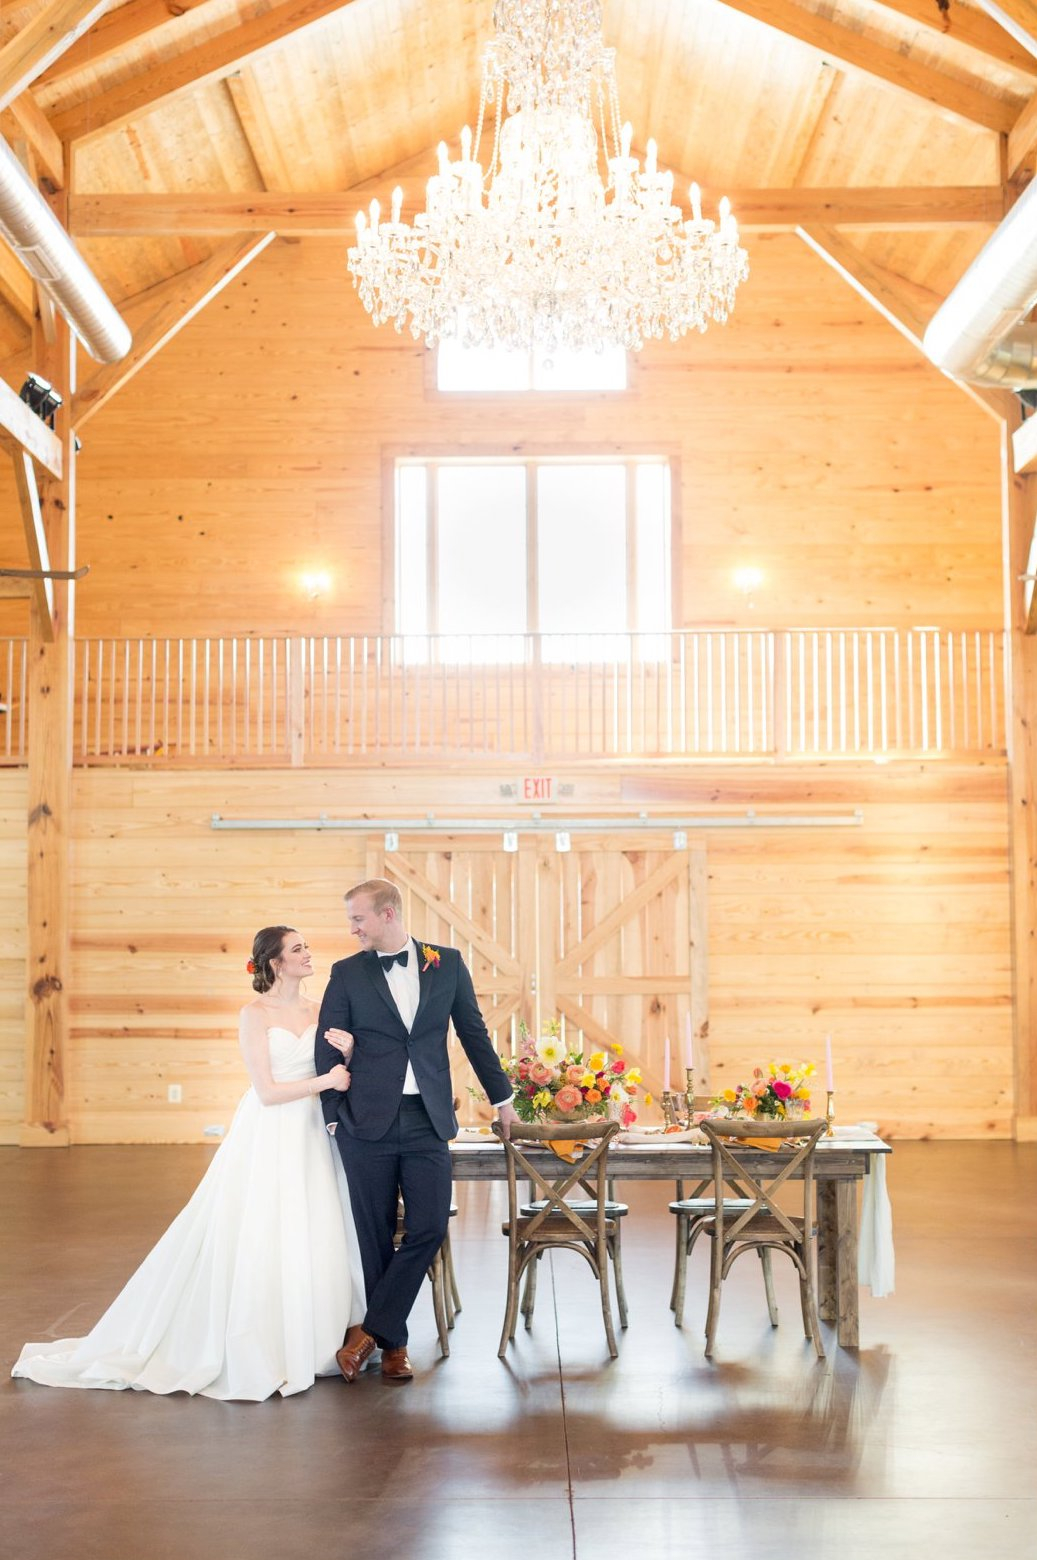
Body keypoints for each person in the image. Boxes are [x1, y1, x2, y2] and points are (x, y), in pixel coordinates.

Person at [12, 927, 365, 1401]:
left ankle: (315, 1334)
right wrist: (326, 1080)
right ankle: (262, 1338)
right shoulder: (254, 1015)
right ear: (276, 963)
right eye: (298, 948)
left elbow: (340, 1071)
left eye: (305, 946)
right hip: (271, 1132)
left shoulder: (320, 1010)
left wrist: (347, 1053)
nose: (308, 953)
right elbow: (266, 1092)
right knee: (263, 1229)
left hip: (313, 1135)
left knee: (316, 1227)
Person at [315, 878, 518, 1384]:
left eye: (358, 918)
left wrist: (503, 1098)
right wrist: (333, 1116)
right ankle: (395, 1349)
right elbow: (326, 1045)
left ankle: (370, 1331)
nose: (352, 928)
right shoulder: (345, 974)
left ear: (388, 914)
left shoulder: (444, 963)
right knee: (375, 1235)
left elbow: (473, 1032)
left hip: (428, 1119)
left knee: (429, 1225)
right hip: (365, 1123)